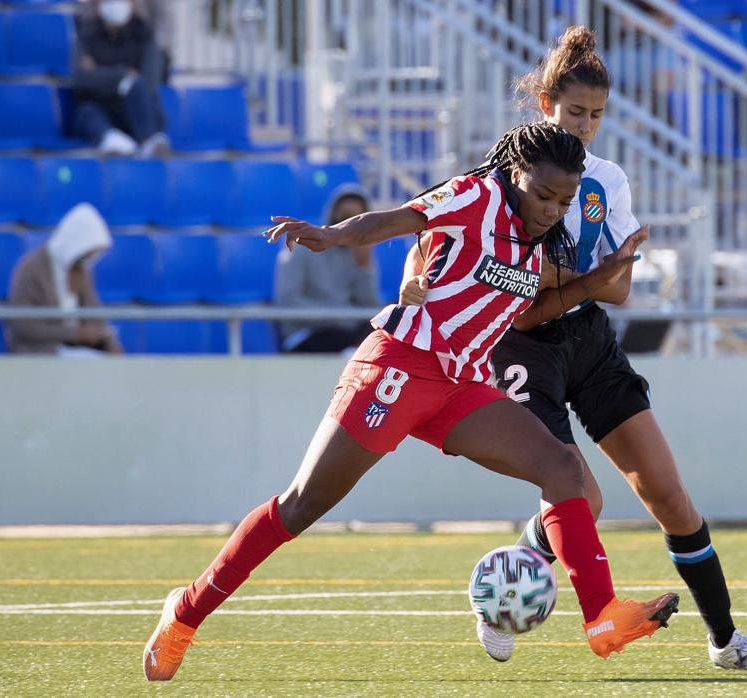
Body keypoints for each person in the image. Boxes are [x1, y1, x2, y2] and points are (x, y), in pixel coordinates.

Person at [141, 122, 677, 682]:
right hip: (398, 366)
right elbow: (398, 220)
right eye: (543, 195)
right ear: (517, 173)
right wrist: (336, 235)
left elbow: (534, 297)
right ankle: (185, 610)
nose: (551, 209)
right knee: (303, 504)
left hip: (460, 384)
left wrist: (600, 278)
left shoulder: (538, 237)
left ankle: (602, 617)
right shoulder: (477, 195)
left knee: (562, 468)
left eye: (563, 201)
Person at [399, 28, 747, 672]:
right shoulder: (502, 177)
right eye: (575, 111)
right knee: (585, 498)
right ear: (545, 103)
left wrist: (575, 277)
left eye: (597, 115)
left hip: (590, 340)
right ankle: (500, 599)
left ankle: (726, 643)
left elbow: (623, 287)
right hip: (523, 349)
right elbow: (449, 240)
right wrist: (425, 275)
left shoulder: (606, 179)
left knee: (668, 494)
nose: (585, 125)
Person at [273, 183, 379, 353]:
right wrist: (340, 317)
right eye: (346, 216)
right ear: (333, 215)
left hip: (346, 332)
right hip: (307, 333)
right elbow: (288, 299)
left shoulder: (360, 253)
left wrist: (364, 269)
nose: (350, 223)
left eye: (358, 218)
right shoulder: (301, 245)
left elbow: (369, 306)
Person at [7, 204, 122, 355]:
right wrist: (76, 334)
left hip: (77, 350)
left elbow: (94, 313)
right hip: (39, 351)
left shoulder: (82, 269)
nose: (89, 259)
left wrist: (109, 341)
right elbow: (23, 326)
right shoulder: (30, 268)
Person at [73, 0, 169, 156]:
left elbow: (148, 81)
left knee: (137, 87)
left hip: (136, 114)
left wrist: (100, 75)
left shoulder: (145, 35)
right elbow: (82, 78)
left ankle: (149, 144)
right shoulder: (87, 35)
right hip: (102, 110)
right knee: (87, 112)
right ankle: (114, 143)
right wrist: (123, 77)